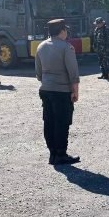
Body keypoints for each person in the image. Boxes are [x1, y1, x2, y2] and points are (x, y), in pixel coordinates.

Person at [35, 19, 80, 165]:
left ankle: (53, 154)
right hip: (61, 91)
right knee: (62, 122)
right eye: (65, 30)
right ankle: (61, 154)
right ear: (62, 31)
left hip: (46, 90)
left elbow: (38, 73)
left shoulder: (41, 46)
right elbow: (73, 73)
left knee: (49, 121)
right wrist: (75, 92)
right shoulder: (67, 47)